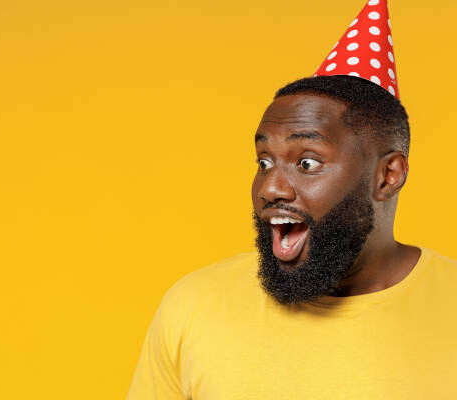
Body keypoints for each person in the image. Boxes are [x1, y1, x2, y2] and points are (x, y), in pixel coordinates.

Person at [126, 1, 457, 398]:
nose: (270, 188)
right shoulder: (194, 305)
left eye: (306, 162)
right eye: (264, 161)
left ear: (388, 176)